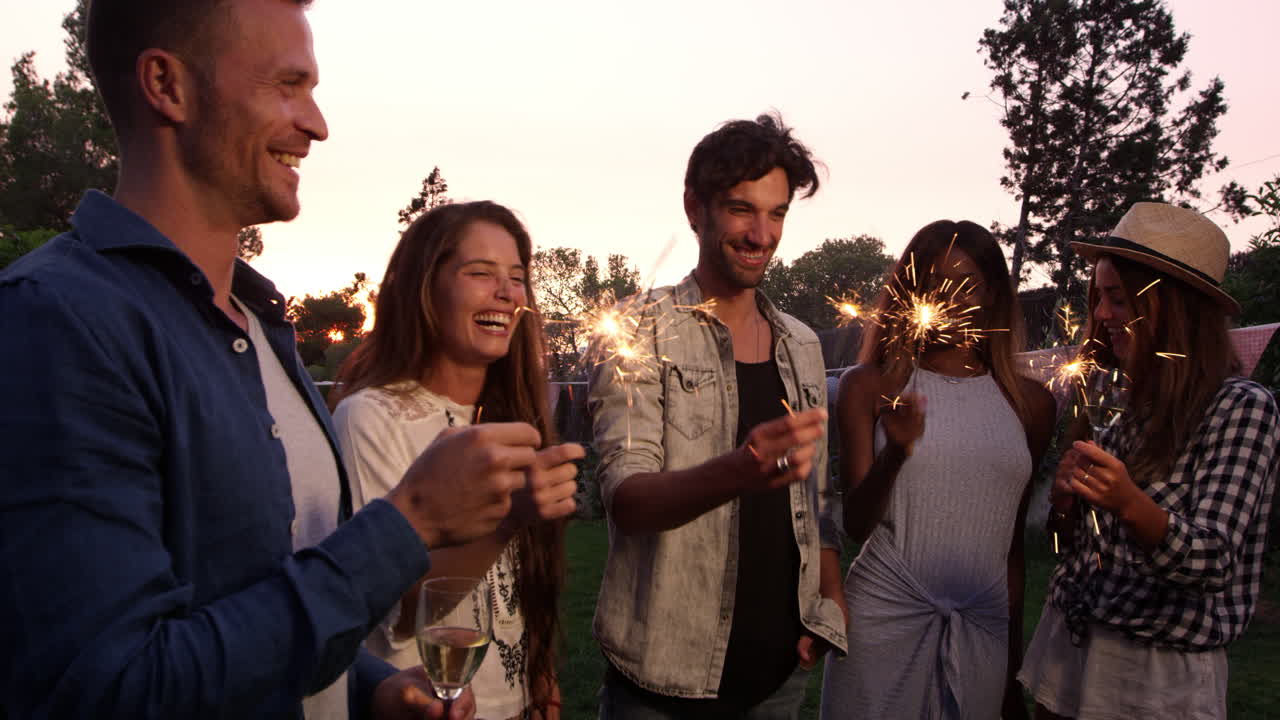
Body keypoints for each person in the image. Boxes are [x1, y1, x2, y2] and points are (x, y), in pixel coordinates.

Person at [0, 1, 569, 717]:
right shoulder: (60, 320)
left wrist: (368, 688)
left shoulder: (259, 327)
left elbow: (276, 593)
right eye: (288, 85)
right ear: (166, 85)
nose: (317, 123)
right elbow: (106, 688)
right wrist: (412, 520)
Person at [587, 112, 846, 719]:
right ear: (694, 208)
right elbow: (626, 499)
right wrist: (739, 469)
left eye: (777, 213)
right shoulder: (638, 329)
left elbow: (816, 500)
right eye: (741, 209)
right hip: (665, 682)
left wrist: (826, 603)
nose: (762, 234)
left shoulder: (803, 346)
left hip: (780, 678)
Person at [1018, 203, 1279, 719]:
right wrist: (1066, 506)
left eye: (1118, 298)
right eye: (1099, 298)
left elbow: (1212, 561)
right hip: (1070, 645)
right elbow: (1069, 549)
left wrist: (1129, 503)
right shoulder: (1112, 394)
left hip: (1156, 679)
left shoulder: (1240, 408)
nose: (1101, 315)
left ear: (1174, 305)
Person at [330, 201, 581, 720]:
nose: (507, 293)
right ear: (425, 287)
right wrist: (508, 517)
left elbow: (519, 587)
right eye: (480, 273)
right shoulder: (372, 419)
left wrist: (541, 677)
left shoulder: (515, 418)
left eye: (516, 278)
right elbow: (390, 612)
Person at [819, 220, 1056, 720]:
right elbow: (857, 524)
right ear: (912, 294)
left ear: (992, 293)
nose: (952, 300)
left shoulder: (1030, 404)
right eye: (935, 285)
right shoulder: (872, 385)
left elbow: (1011, 549)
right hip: (882, 620)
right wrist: (895, 454)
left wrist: (1011, 667)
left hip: (982, 629)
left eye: (968, 284)